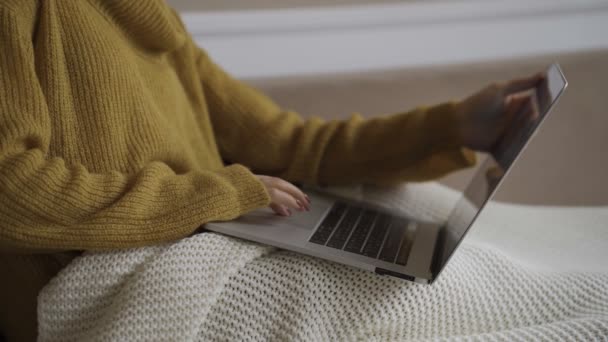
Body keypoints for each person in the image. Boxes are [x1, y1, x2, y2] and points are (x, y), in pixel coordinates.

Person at [0, 1, 542, 340]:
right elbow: (10, 189)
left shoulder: (154, 22)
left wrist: (454, 126)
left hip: (207, 235)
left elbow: (293, 144)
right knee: (446, 294)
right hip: (105, 280)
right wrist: (221, 194)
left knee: (432, 222)